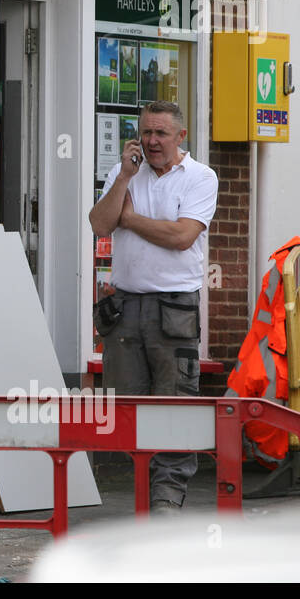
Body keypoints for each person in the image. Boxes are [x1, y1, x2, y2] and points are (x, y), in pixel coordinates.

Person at [88, 101, 218, 514]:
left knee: (175, 405)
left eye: (161, 133)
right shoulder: (126, 173)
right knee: (129, 409)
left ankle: (166, 503)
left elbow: (182, 236)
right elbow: (99, 223)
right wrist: (125, 177)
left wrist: (132, 220)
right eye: (146, 132)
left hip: (174, 308)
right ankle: (146, 500)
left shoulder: (200, 177)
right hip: (125, 308)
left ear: (181, 136)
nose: (151, 141)